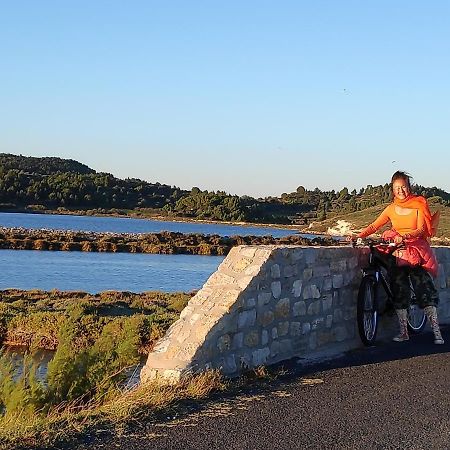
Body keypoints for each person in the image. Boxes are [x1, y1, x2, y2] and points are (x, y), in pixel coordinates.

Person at [351, 170, 444, 345]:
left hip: (416, 250)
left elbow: (421, 229)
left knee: (424, 289)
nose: (401, 190)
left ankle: (437, 332)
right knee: (398, 289)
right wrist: (359, 236)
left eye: (404, 187)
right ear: (392, 189)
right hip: (398, 251)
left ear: (409, 187)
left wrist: (406, 237)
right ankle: (403, 332)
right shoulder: (391, 208)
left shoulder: (419, 204)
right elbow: (374, 225)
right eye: (397, 188)